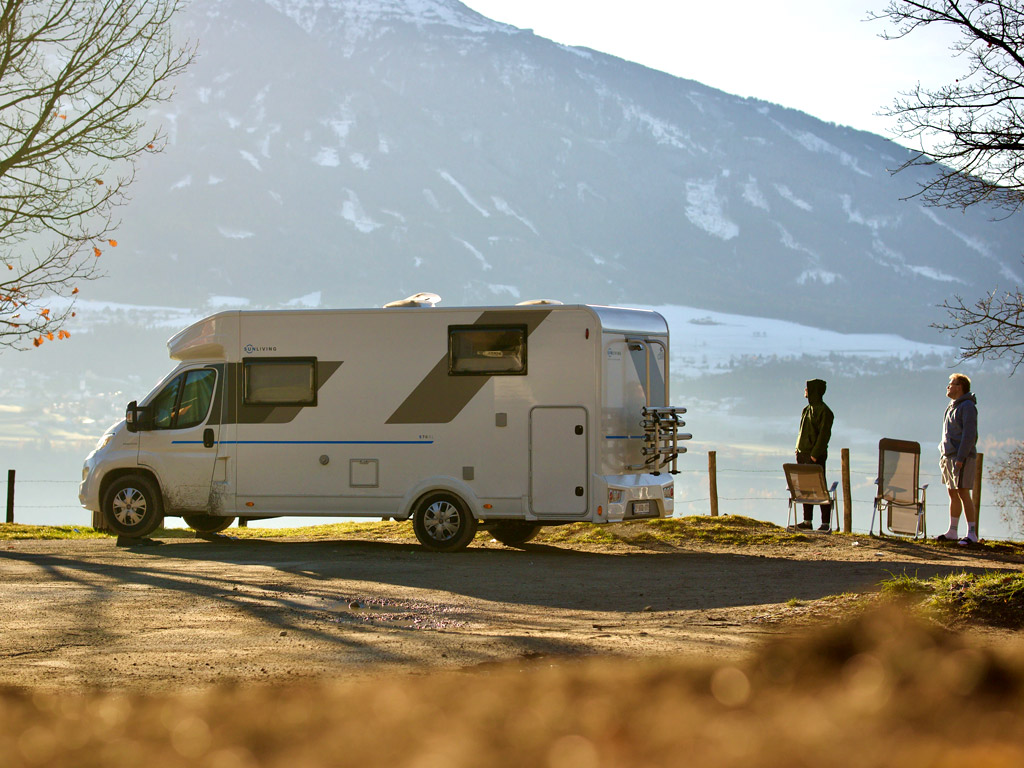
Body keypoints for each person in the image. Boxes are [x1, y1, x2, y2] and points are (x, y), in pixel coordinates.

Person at [936, 373, 979, 546]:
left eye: (951, 383)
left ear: (960, 387)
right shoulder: (952, 406)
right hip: (949, 456)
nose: (948, 386)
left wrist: (961, 458)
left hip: (962, 457)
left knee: (963, 492)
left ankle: (972, 534)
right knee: (952, 492)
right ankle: (952, 531)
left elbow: (969, 435)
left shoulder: (967, 406)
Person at [795, 379, 834, 532]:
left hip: (814, 456)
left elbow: (824, 436)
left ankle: (825, 523)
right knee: (805, 488)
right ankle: (807, 521)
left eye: (807, 388)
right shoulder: (806, 410)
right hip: (802, 454)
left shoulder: (825, 412)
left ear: (814, 391)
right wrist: (798, 450)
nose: (805, 390)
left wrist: (814, 455)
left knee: (819, 487)